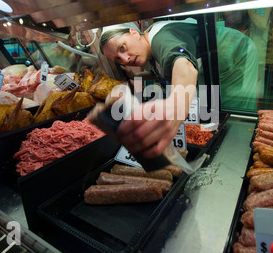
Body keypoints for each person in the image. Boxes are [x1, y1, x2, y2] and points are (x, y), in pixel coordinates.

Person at [91, 18, 258, 159]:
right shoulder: (147, 50)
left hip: (236, 56)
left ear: (134, 33)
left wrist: (175, 106)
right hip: (209, 70)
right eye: (118, 60)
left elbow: (182, 63)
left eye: (123, 48)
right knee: (211, 114)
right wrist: (136, 78)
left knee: (232, 115)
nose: (125, 59)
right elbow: (163, 71)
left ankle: (237, 154)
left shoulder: (161, 38)